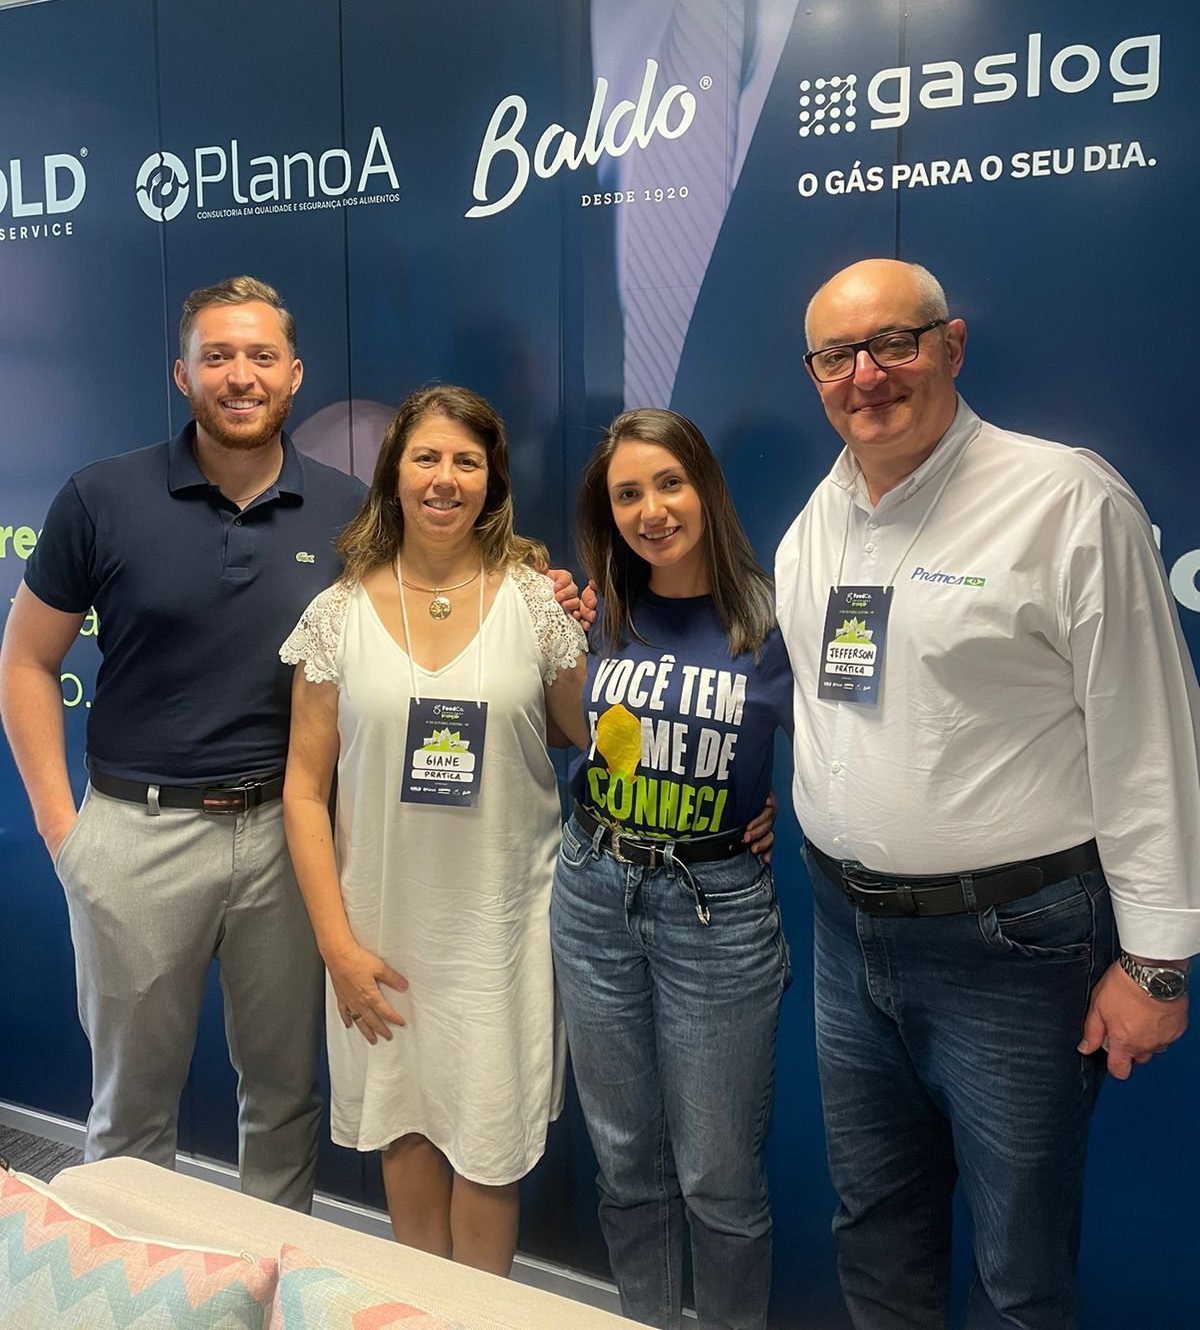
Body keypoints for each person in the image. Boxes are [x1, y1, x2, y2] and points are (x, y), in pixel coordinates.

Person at [774, 257, 1200, 1330]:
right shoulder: (818, 520)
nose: (866, 375)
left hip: (1014, 947)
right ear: (815, 375)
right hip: (845, 932)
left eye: (895, 344)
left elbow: (1150, 737)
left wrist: (1155, 960)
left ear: (952, 346)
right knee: (873, 1227)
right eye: (837, 356)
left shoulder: (1062, 498)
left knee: (1018, 1265)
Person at [0, 276, 365, 1211]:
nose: (239, 376)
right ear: (182, 373)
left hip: (289, 841)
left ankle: (270, 1288)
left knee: (285, 1105)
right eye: (217, 356)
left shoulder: (352, 512)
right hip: (135, 836)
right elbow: (28, 665)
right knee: (128, 1116)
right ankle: (128, 1297)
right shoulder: (100, 497)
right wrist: (64, 835)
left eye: (259, 357)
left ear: (294, 375)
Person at [278, 384, 588, 1276]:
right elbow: (305, 791)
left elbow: (593, 735)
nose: (444, 478)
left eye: (465, 460)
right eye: (426, 458)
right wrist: (337, 948)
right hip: (382, 934)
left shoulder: (534, 603)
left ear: (491, 480)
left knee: (490, 1152)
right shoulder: (336, 614)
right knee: (404, 1135)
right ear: (394, 474)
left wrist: (745, 790)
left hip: (500, 935)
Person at [551, 408, 793, 1330]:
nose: (651, 509)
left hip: (717, 913)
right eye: (627, 494)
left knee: (720, 1179)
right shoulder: (599, 614)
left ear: (705, 489)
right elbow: (573, 738)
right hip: (594, 893)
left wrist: (782, 812)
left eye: (669, 484)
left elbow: (861, 745)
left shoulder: (772, 619)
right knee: (625, 1164)